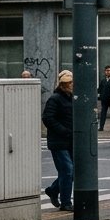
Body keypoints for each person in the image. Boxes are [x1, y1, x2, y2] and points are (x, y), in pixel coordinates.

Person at [41, 70, 75, 211]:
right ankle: (66, 202)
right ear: (62, 84)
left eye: (71, 82)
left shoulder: (72, 98)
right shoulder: (55, 99)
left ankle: (53, 190)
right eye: (68, 83)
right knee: (67, 170)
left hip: (71, 140)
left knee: (71, 171)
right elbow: (47, 118)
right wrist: (63, 131)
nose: (71, 85)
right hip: (59, 141)